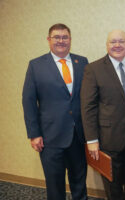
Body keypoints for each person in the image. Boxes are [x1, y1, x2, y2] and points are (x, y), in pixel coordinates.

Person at [80, 30, 125, 200]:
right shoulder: (94, 69)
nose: (117, 45)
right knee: (114, 185)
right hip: (108, 138)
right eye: (113, 42)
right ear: (107, 45)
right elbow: (87, 106)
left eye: (121, 41)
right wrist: (92, 140)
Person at [22, 23, 88, 200]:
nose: (61, 41)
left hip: (78, 135)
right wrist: (34, 134)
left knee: (79, 181)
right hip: (50, 137)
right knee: (55, 184)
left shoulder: (82, 62)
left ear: (70, 40)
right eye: (56, 37)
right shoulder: (36, 65)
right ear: (48, 40)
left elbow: (89, 99)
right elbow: (28, 101)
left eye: (65, 37)